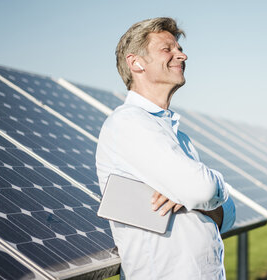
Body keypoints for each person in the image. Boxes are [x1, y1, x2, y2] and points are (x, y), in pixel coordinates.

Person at [96, 17, 236, 279]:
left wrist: (199, 198)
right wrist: (204, 191)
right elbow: (203, 190)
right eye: (167, 49)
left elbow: (227, 216)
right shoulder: (129, 122)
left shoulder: (178, 136)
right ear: (135, 62)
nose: (181, 55)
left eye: (179, 49)